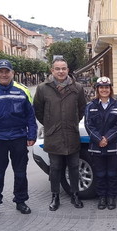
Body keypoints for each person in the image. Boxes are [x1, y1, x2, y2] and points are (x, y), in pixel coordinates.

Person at [0, 59, 37, 220]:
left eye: (7, 71)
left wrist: (31, 134)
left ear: (13, 73)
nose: (4, 74)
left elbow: (30, 116)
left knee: (20, 173)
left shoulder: (23, 90)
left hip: (18, 137)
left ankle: (21, 201)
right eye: (1, 71)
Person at [33, 57, 87, 211]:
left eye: (63, 68)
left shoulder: (77, 88)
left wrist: (72, 122)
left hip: (71, 134)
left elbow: (82, 109)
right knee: (55, 167)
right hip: (53, 135)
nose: (61, 71)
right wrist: (50, 124)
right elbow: (38, 110)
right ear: (52, 70)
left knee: (74, 167)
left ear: (68, 70)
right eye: (58, 68)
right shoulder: (43, 88)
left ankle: (75, 194)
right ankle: (55, 196)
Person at [84, 76, 117, 210]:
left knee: (112, 174)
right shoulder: (90, 106)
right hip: (96, 147)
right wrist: (99, 139)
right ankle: (102, 197)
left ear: (110, 89)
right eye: (101, 87)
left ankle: (111, 197)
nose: (104, 90)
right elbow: (88, 125)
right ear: (97, 89)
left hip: (113, 145)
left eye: (106, 87)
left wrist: (107, 138)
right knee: (100, 173)